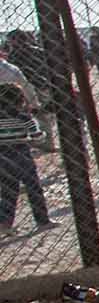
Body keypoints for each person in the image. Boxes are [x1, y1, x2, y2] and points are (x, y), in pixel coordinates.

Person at [0, 84, 52, 234]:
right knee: (33, 187)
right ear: (20, 100)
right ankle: (42, 221)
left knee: (8, 191)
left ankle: (5, 223)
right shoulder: (24, 117)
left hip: (2, 156)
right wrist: (41, 136)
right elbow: (38, 137)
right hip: (21, 154)